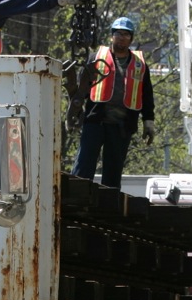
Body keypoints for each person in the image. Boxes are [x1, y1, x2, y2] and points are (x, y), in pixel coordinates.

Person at [67, 17, 156, 189]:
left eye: (126, 34)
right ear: (111, 36)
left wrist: (148, 121)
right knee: (84, 165)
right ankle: (76, 198)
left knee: (113, 172)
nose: (122, 37)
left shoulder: (140, 64)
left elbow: (147, 95)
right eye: (118, 33)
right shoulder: (96, 57)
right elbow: (82, 88)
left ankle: (109, 208)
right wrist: (75, 113)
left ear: (131, 38)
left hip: (122, 125)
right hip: (95, 121)